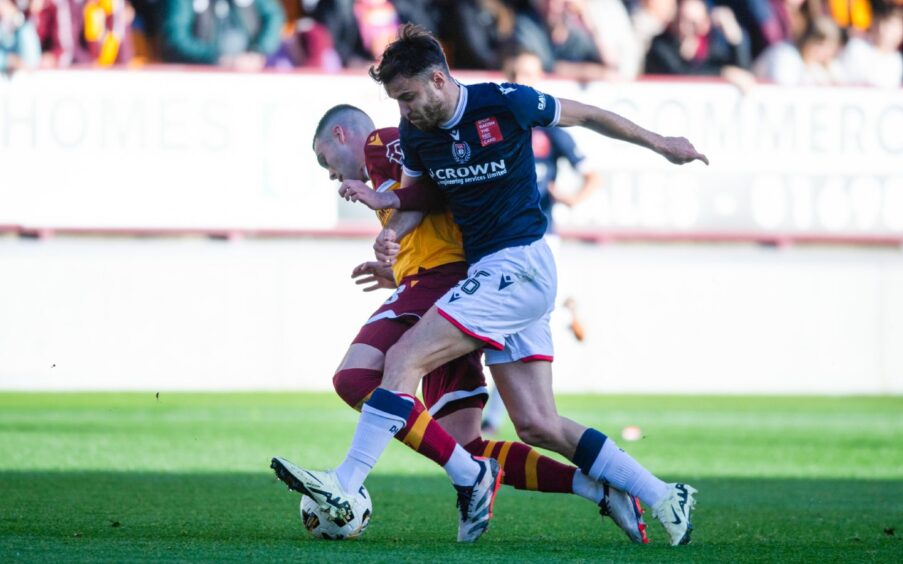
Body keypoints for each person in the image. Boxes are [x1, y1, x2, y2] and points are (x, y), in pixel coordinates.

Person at [285, 24, 707, 545]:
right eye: (396, 100)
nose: (404, 110)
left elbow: (590, 115)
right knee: (537, 424)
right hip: (496, 276)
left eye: (409, 96)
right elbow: (420, 201)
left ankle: (346, 482)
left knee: (402, 361)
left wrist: (661, 142)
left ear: (438, 79)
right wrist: (388, 218)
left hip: (519, 263)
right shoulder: (416, 134)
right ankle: (665, 495)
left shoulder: (505, 103)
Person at [481, 45, 599, 436]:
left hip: (542, 235)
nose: (523, 82)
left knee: (515, 322)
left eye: (530, 75)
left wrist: (570, 199)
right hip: (500, 239)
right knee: (514, 326)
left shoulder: (549, 130)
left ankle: (498, 415)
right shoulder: (492, 125)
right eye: (516, 74)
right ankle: (565, 314)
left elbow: (592, 174)